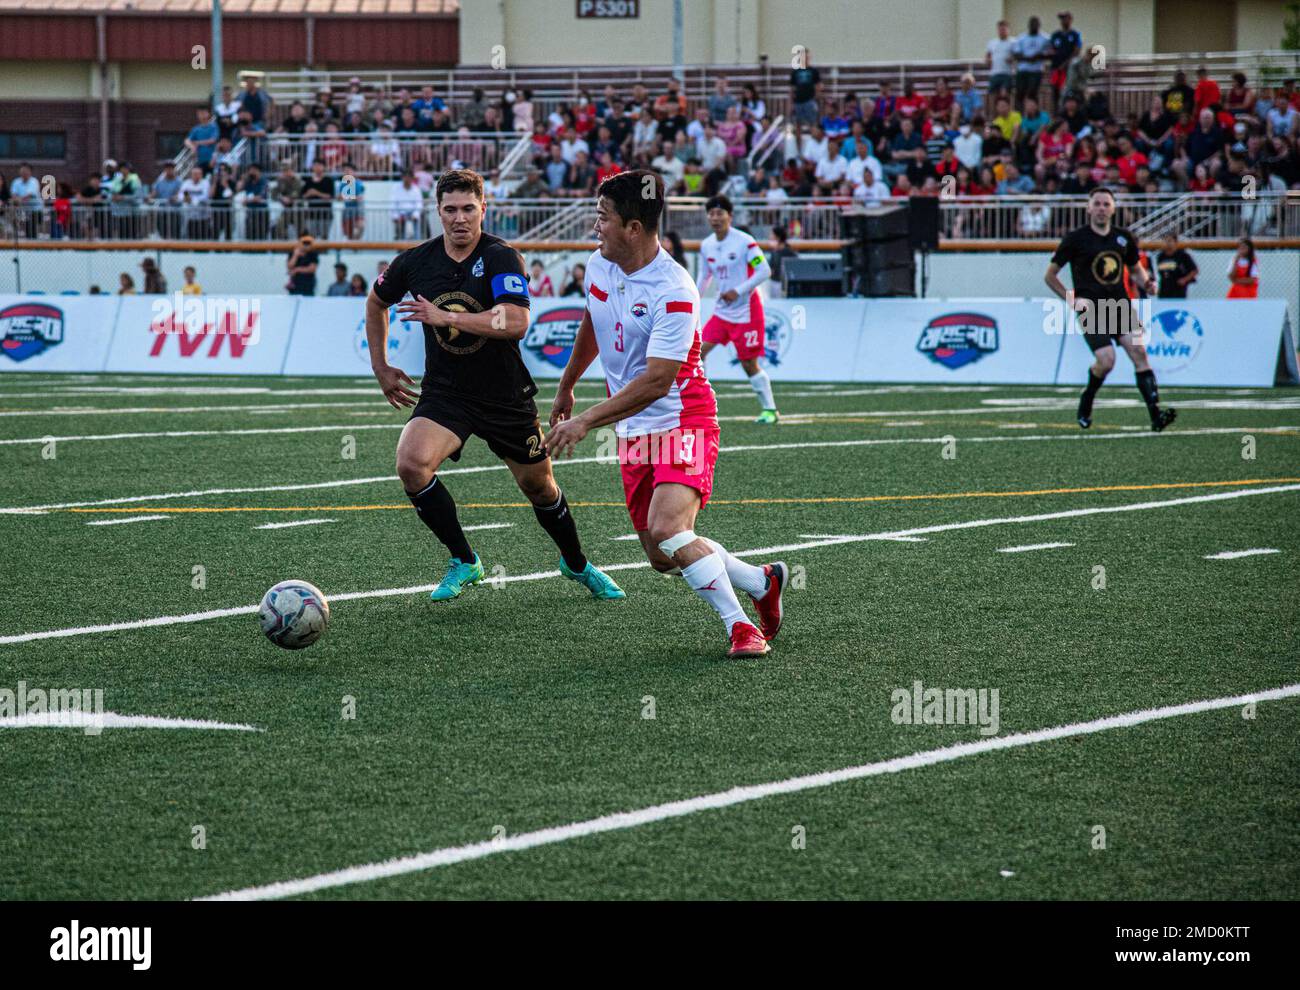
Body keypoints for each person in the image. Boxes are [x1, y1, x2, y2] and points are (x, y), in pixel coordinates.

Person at [544, 170, 786, 659]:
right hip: (636, 429)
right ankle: (761, 581)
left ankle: (741, 628)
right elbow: (593, 320)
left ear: (634, 228)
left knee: (669, 529)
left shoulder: (674, 290)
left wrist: (586, 420)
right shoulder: (598, 265)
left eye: (603, 217)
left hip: (683, 419)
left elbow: (657, 381)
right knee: (661, 556)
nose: (596, 226)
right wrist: (567, 384)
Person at [365, 168, 624, 604]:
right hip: (447, 393)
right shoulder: (415, 261)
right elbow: (376, 302)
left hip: (505, 396)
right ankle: (465, 560)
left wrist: (448, 317)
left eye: (469, 208)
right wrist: (381, 366)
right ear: (438, 212)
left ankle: (575, 562)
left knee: (539, 487)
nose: (460, 218)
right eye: (451, 210)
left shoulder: (502, 257)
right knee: (411, 464)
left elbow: (517, 322)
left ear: (484, 208)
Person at [1044, 187, 1177, 432]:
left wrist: (1147, 283)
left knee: (1139, 352)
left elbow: (1136, 269)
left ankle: (1156, 415)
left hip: (1120, 306)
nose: (1102, 208)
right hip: (1092, 309)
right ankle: (1088, 398)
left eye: (1106, 204)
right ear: (1089, 208)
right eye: (1097, 204)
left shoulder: (1123, 238)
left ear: (1113, 208)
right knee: (1106, 361)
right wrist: (1071, 299)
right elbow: (1050, 276)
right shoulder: (1075, 239)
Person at [696, 195, 777, 423]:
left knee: (748, 363)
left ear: (730, 216)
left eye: (720, 213)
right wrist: (692, 300)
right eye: (711, 213)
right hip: (722, 312)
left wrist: (738, 291)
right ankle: (702, 405)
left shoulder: (745, 242)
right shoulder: (707, 245)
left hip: (747, 312)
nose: (715, 218)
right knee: (698, 353)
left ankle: (770, 410)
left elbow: (765, 271)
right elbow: (704, 276)